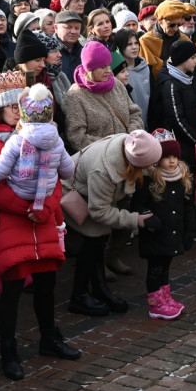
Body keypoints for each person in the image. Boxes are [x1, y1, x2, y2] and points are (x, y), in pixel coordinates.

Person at [0, 82, 80, 379]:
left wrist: (45, 208)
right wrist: (28, 209)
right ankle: (8, 351)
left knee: (47, 283)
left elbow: (58, 177)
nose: (19, 113)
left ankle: (50, 338)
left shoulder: (44, 137)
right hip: (11, 223)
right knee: (12, 289)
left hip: (41, 220)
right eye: (12, 107)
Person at [63, 131, 159, 316]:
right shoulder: (103, 170)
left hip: (91, 193)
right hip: (71, 192)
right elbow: (99, 212)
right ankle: (79, 296)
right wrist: (134, 220)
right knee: (93, 239)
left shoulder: (130, 145)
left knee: (99, 238)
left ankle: (99, 289)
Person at [130, 130, 195, 320]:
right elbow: (137, 204)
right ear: (157, 158)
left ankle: (165, 297)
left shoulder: (182, 179)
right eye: (167, 157)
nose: (172, 161)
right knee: (155, 268)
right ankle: (155, 303)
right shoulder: (149, 181)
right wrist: (148, 219)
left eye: (175, 156)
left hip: (173, 233)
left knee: (166, 266)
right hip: (156, 234)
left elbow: (188, 208)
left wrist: (189, 231)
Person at [63, 41, 143, 152]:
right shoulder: (75, 96)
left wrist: (131, 136)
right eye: (103, 67)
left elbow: (134, 113)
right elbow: (77, 137)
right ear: (90, 69)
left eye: (109, 65)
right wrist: (112, 147)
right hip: (99, 162)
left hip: (129, 152)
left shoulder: (116, 84)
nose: (109, 71)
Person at [140, 0, 196, 78]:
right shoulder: (145, 41)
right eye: (171, 25)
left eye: (179, 24)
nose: (176, 29)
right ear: (160, 21)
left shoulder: (184, 39)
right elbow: (150, 70)